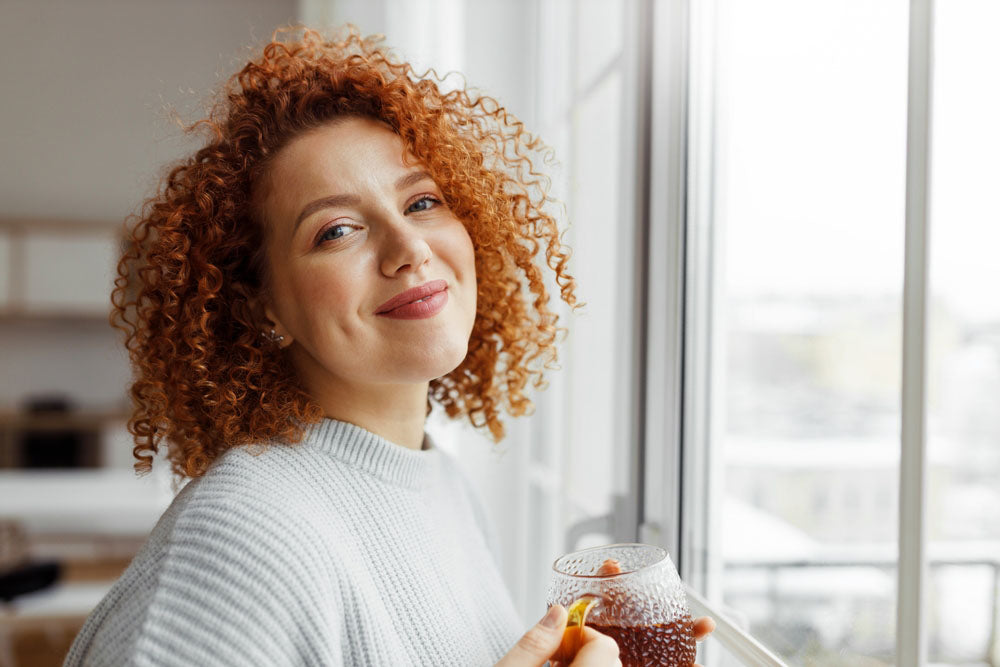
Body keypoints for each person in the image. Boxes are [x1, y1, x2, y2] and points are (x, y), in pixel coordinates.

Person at [65, 27, 713, 666]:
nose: (410, 248)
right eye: (337, 230)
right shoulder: (240, 538)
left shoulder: (443, 489)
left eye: (423, 200)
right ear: (259, 305)